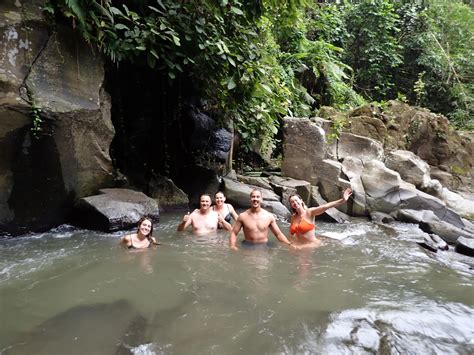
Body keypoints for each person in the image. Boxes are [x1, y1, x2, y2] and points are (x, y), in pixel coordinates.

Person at [229, 189, 298, 250]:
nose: (255, 199)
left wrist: (289, 244)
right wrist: (232, 246)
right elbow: (234, 233)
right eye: (253, 197)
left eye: (258, 197)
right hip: (248, 245)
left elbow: (278, 234)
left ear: (261, 199)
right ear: (250, 199)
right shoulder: (243, 216)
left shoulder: (269, 216)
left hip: (264, 246)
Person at [288, 188, 352, 248]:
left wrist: (342, 200)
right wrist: (291, 244)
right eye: (292, 202)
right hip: (299, 246)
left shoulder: (310, 212)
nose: (295, 203)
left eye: (296, 200)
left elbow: (326, 206)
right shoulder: (294, 217)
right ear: (291, 205)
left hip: (311, 245)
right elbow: (292, 235)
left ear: (301, 201)